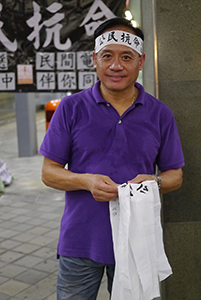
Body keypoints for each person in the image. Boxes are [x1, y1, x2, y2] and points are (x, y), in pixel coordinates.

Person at [39, 17, 184, 300]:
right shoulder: (71, 108)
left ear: (141, 62)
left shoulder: (159, 114)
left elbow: (175, 176)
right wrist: (85, 181)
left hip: (136, 243)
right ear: (95, 59)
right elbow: (49, 173)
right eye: (107, 56)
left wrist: (154, 181)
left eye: (126, 57)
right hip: (80, 240)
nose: (116, 66)